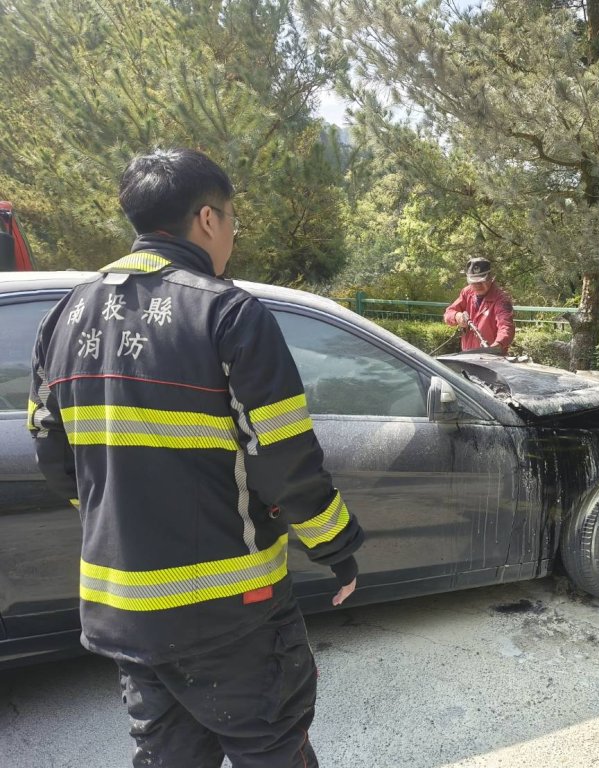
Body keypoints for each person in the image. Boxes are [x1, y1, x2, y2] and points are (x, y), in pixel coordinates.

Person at [28, 148, 364, 767]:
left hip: (124, 609)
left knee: (167, 756)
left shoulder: (62, 318)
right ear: (207, 218)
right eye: (232, 219)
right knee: (271, 748)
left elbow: (54, 455)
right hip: (232, 612)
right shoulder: (227, 312)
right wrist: (335, 547)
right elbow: (284, 458)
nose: (233, 235)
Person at [443, 257, 515, 354]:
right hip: (468, 356)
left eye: (481, 281)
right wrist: (457, 317)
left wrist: (496, 347)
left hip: (492, 358)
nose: (477, 285)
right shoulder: (466, 292)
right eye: (473, 282)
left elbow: (506, 327)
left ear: (490, 278)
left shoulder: (501, 299)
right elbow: (448, 314)